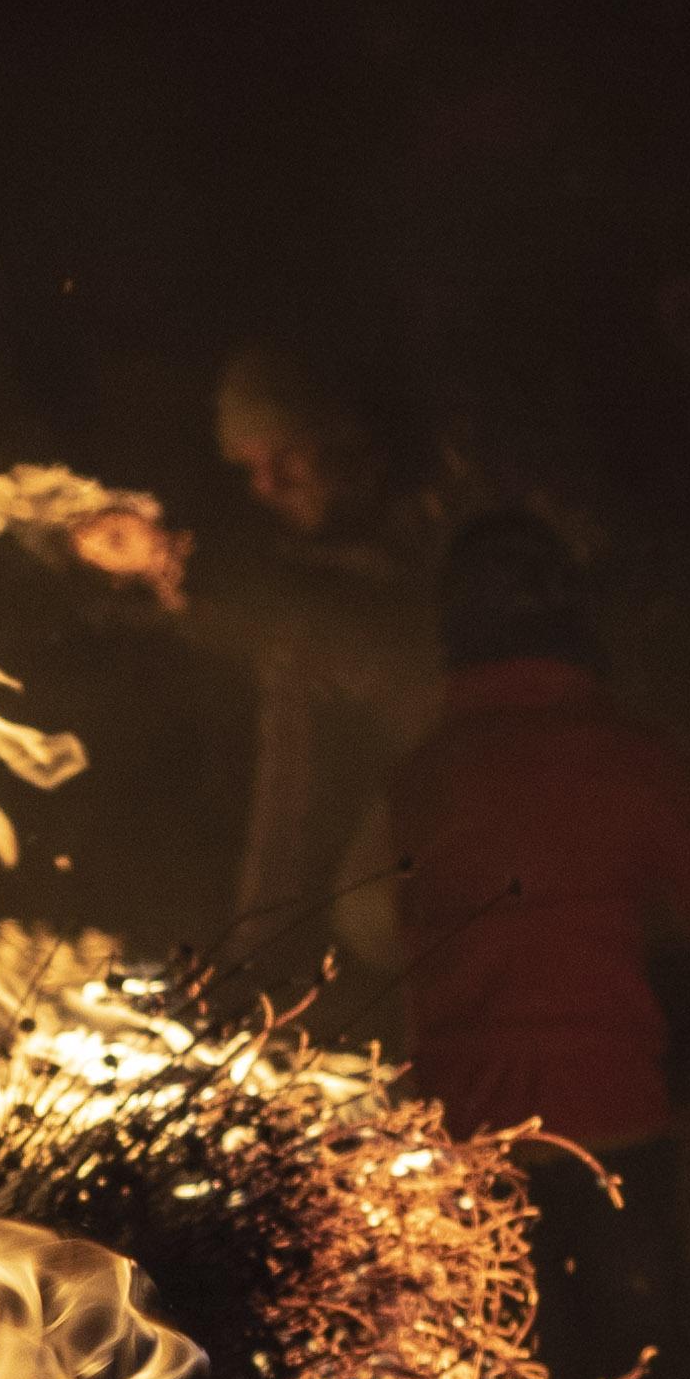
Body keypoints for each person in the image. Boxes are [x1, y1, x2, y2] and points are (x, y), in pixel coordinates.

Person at [337, 510, 690, 1379]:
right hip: (614, 1118)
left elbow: (365, 920)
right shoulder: (628, 759)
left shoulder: (420, 778)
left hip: (473, 1134)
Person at [194, 342, 427, 959]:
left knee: (378, 907)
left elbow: (408, 666)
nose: (267, 487)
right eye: (250, 469)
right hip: (447, 768)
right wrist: (251, 944)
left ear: (343, 439)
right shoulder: (324, 557)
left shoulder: (440, 518)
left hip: (540, 785)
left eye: (287, 457)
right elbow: (291, 765)